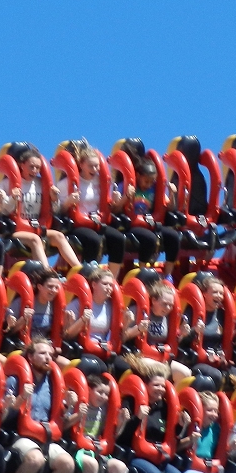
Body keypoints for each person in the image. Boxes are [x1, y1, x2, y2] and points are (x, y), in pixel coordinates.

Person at [0, 339, 76, 473]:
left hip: (47, 436)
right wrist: (21, 398)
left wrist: (71, 406)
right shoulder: (16, 379)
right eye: (42, 354)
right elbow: (5, 414)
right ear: (30, 357)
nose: (48, 358)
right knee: (35, 459)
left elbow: (62, 421)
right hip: (20, 434)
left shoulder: (55, 383)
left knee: (67, 464)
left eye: (49, 354)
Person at [120, 356, 186, 473]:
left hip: (158, 456)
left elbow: (172, 436)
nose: (160, 390)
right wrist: (136, 418)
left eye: (163, 386)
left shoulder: (165, 408)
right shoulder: (132, 402)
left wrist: (182, 425)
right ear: (146, 385)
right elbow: (122, 436)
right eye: (156, 386)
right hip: (134, 454)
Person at [0, 146, 81, 268]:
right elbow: (2, 211)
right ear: (22, 165)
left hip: (37, 228)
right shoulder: (6, 184)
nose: (35, 170)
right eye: (31, 167)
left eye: (37, 167)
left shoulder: (41, 184)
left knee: (59, 236)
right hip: (15, 230)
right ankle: (46, 273)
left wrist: (54, 199)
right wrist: (12, 198)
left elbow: (54, 210)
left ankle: (78, 269)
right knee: (35, 240)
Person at [65, 373, 128, 473]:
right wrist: (78, 414)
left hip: (97, 449)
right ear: (89, 390)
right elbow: (63, 426)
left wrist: (122, 422)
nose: (104, 397)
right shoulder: (78, 402)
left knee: (121, 468)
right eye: (100, 392)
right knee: (91, 463)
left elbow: (114, 435)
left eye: (106, 394)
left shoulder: (105, 410)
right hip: (78, 448)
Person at [109, 142, 181, 278]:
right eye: (146, 181)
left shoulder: (154, 189)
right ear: (138, 176)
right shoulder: (123, 185)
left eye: (152, 181)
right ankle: (143, 274)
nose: (149, 184)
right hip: (131, 223)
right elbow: (115, 209)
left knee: (173, 236)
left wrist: (172, 195)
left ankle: (167, 274)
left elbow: (169, 207)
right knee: (150, 239)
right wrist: (126, 196)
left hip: (150, 222)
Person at [177, 390, 235, 473]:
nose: (214, 414)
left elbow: (223, 451)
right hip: (189, 469)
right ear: (200, 409)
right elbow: (174, 448)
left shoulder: (216, 429)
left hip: (210, 469)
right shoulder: (188, 423)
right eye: (210, 410)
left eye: (216, 411)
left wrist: (231, 448)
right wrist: (189, 440)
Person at [122, 278, 190, 382]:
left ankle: (171, 397)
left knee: (185, 373)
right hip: (139, 356)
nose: (168, 308)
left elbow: (173, 343)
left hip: (162, 358)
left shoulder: (169, 318)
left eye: (170, 305)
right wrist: (138, 329)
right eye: (164, 304)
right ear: (154, 300)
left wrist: (182, 335)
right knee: (157, 370)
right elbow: (122, 338)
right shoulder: (137, 311)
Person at [54, 138, 109, 264]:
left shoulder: (100, 182)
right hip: (76, 224)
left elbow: (108, 204)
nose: (95, 169)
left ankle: (112, 276)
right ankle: (88, 272)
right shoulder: (65, 183)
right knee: (93, 239)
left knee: (117, 238)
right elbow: (57, 211)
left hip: (98, 221)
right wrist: (68, 201)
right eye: (91, 166)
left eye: (97, 166)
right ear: (81, 165)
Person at [177, 272, 232, 381]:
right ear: (204, 294)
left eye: (221, 293)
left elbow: (227, 340)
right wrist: (194, 331)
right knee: (217, 376)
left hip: (216, 359)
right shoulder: (191, 312)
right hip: (195, 360)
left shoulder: (222, 314)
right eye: (215, 292)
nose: (219, 296)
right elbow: (181, 342)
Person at [63, 267, 117, 358]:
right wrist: (82, 320)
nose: (109, 288)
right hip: (83, 350)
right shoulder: (77, 304)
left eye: (111, 285)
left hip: (104, 349)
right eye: (105, 284)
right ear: (94, 285)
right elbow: (67, 336)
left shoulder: (110, 306)